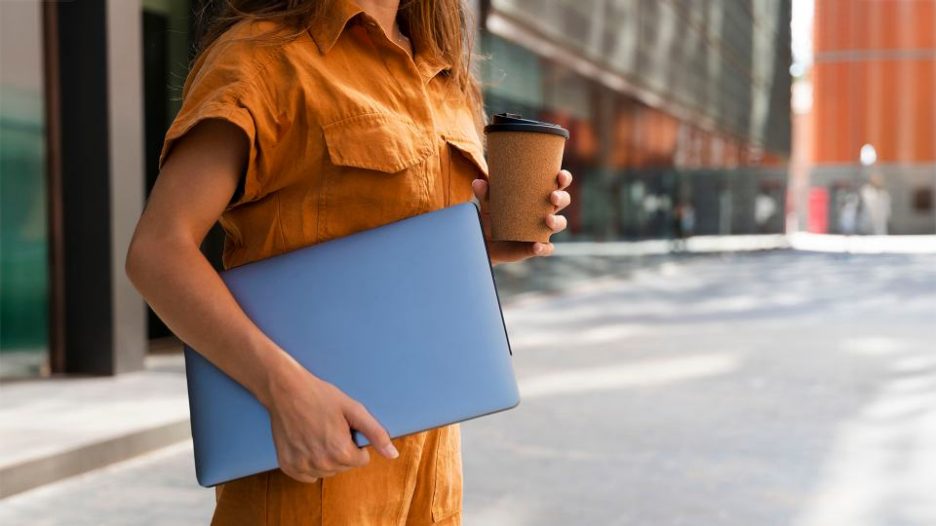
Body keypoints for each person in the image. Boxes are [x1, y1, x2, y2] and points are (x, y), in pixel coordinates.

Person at [124, 1, 573, 524]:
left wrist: (486, 241)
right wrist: (284, 389)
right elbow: (157, 251)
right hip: (313, 480)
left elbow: (386, 248)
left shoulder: (442, 74)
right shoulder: (262, 57)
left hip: (431, 483)